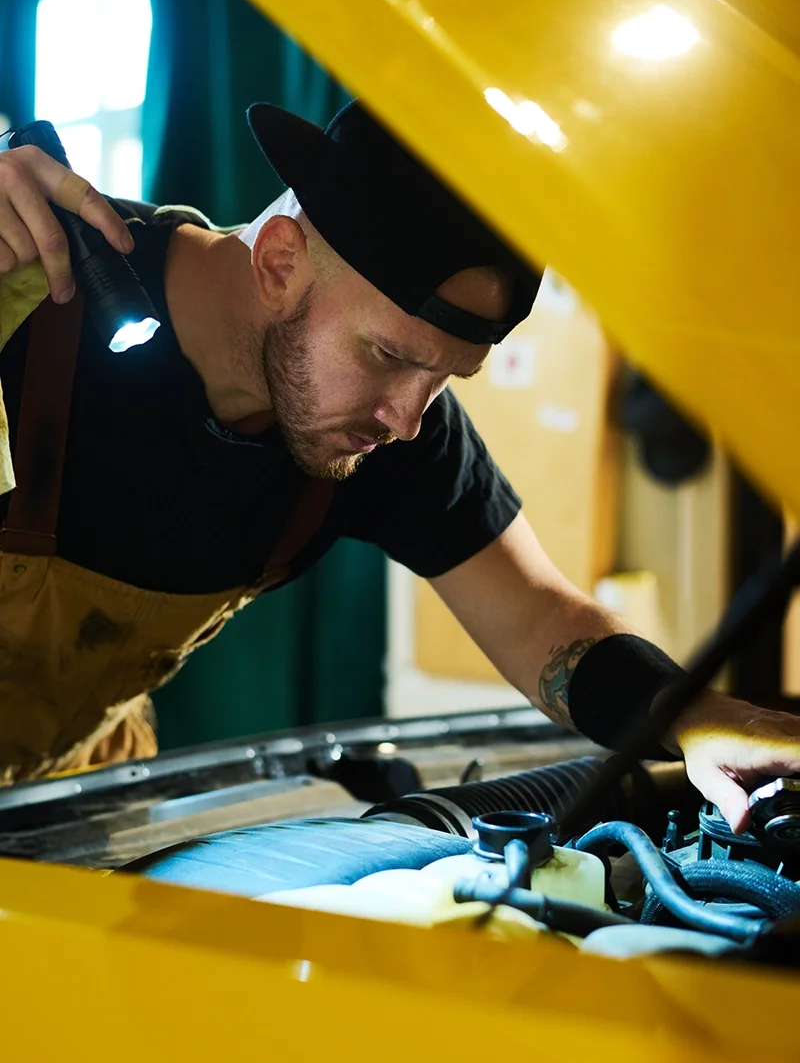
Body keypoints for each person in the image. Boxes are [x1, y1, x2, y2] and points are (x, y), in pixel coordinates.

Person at [0, 99, 798, 832]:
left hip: (69, 793)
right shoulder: (32, 301)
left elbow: (540, 620)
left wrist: (699, 720)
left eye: (445, 377)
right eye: (386, 355)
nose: (406, 418)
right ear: (279, 262)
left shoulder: (384, 435)